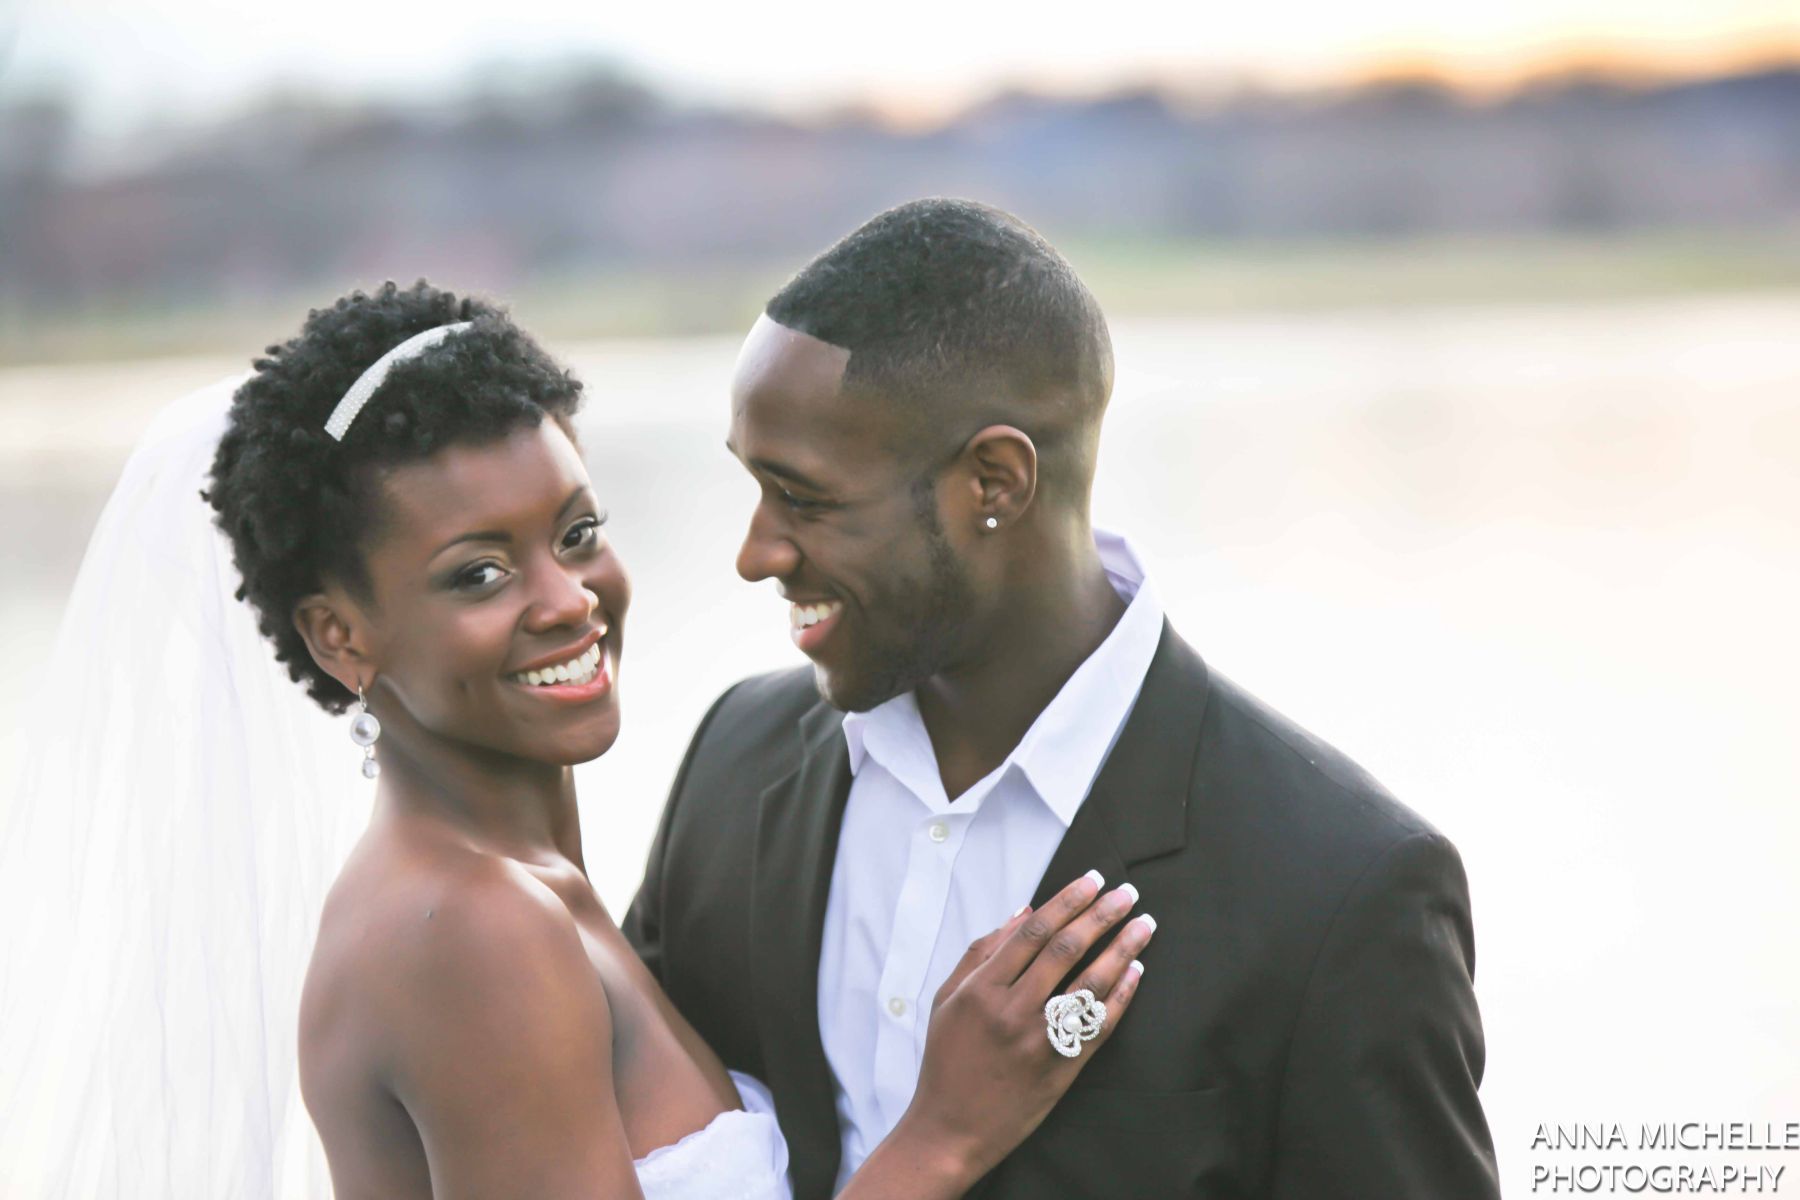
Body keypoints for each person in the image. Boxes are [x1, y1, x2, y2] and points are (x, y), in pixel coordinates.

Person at [0, 281, 1154, 1199]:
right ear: (340, 636)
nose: (568, 599)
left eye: (577, 531)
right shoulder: (471, 934)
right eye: (481, 572)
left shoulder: (525, 891)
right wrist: (942, 1137)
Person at [622, 198, 1503, 1198]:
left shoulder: (1340, 887)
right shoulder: (735, 763)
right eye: (754, 488)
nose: (756, 553)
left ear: (994, 480)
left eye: (807, 498)